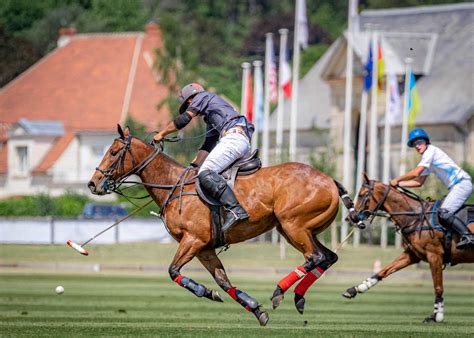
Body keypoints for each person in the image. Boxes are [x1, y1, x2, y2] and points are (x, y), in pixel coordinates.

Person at [153, 83, 254, 231]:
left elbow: (184, 119)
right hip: (237, 140)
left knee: (206, 173)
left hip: (233, 139)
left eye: (188, 104)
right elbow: (208, 145)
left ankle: (235, 210)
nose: (189, 106)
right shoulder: (211, 117)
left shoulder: (203, 97)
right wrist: (193, 166)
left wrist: (161, 134)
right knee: (205, 172)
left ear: (189, 100)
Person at [390, 128, 473, 249]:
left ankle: (468, 236)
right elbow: (418, 182)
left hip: (462, 184)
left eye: (419, 142)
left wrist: (398, 179)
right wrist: (399, 185)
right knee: (441, 211)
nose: (417, 146)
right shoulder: (427, 158)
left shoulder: (430, 151)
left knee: (444, 212)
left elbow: (416, 173)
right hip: (457, 187)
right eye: (414, 144)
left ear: (426, 142)